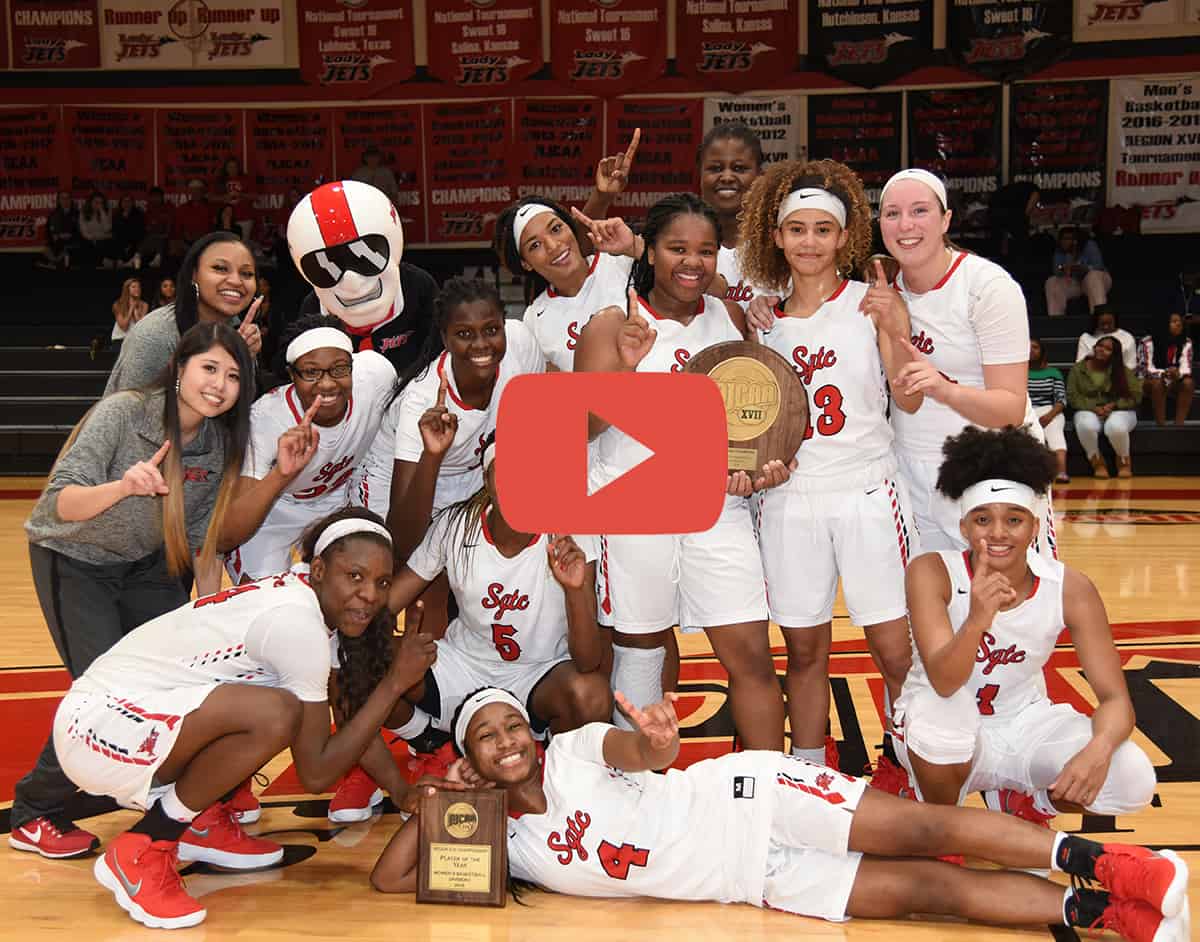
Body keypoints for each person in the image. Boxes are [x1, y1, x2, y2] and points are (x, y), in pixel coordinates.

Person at [372, 687, 1191, 942]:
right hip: (749, 880)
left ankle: (1116, 866)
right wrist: (434, 800)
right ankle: (1108, 914)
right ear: (469, 758)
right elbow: (387, 877)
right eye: (486, 737)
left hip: (749, 797)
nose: (508, 741)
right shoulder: (497, 843)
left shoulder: (579, 748)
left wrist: (656, 742)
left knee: (926, 829)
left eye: (512, 723)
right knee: (924, 893)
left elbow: (643, 756)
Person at [53, 508, 441, 929]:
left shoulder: (307, 603)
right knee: (278, 712)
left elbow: (348, 721)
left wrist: (400, 791)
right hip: (97, 727)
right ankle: (145, 846)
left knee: (275, 705)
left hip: (129, 714)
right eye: (355, 576)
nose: (370, 594)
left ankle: (199, 821)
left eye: (382, 583)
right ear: (319, 569)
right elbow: (316, 772)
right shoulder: (298, 625)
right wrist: (393, 685)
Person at [10, 323, 254, 861]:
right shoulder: (123, 413)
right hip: (74, 558)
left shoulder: (216, 443)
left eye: (233, 375)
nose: (219, 384)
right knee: (108, 692)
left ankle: (184, 803)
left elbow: (201, 542)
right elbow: (60, 505)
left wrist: (210, 613)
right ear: (181, 368)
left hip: (144, 566)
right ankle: (34, 811)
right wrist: (124, 485)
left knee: (175, 678)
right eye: (209, 368)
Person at [575, 193, 784, 749]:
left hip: (716, 509)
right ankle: (639, 788)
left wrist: (757, 469)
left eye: (707, 250)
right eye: (677, 248)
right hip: (632, 507)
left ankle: (772, 791)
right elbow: (577, 429)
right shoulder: (610, 323)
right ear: (650, 251)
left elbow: (752, 419)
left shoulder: (728, 317)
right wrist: (622, 370)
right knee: (641, 650)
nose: (693, 262)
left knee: (751, 655)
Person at [737, 159, 921, 778]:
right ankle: (809, 771)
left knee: (893, 648)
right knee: (805, 648)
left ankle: (905, 764)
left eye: (822, 229)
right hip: (790, 500)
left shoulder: (871, 305)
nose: (809, 241)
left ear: (844, 237)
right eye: (796, 230)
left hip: (866, 489)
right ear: (777, 238)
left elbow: (912, 396)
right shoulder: (761, 323)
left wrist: (898, 327)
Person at [895, 426, 1156, 834]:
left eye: (1013, 520)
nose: (997, 533)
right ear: (964, 527)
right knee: (943, 723)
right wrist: (978, 618)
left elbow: (1115, 700)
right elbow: (945, 682)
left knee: (1133, 777)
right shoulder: (932, 572)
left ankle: (1028, 804)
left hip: (1022, 722)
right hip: (941, 722)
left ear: (1035, 527)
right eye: (983, 520)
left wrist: (1098, 751)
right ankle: (941, 818)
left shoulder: (1070, 587)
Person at [339, 435, 612, 822]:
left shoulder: (568, 531)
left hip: (537, 675)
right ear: (487, 478)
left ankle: (554, 770)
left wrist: (574, 590)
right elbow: (393, 600)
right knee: (358, 667)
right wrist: (346, 634)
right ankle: (433, 743)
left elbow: (588, 659)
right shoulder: (456, 526)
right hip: (463, 668)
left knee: (592, 693)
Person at [360, 279, 544, 641]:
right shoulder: (423, 401)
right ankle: (404, 673)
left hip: (470, 467)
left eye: (491, 330)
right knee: (426, 585)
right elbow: (404, 534)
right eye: (464, 334)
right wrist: (433, 454)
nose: (481, 345)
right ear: (445, 338)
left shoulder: (520, 343)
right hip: (406, 477)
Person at [223, 315, 396, 585]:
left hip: (340, 495)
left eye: (339, 369)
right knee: (260, 598)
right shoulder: (266, 420)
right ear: (292, 375)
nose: (327, 384)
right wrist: (281, 473)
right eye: (311, 372)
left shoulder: (377, 376)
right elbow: (227, 535)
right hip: (278, 504)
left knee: (358, 584)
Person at [289, 180, 437, 378]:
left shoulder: (417, 287)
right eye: (327, 266)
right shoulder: (313, 310)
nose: (352, 282)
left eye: (365, 257)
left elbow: (438, 353)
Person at [493, 192, 640, 373]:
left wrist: (635, 247)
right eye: (535, 245)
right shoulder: (534, 320)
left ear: (570, 228)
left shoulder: (623, 262)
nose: (553, 246)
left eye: (556, 229)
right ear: (526, 263)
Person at [106, 232, 263, 394]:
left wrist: (245, 359)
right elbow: (130, 413)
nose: (236, 281)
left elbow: (240, 411)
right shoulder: (156, 334)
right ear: (193, 275)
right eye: (220, 268)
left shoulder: (238, 331)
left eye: (246, 273)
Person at [698, 122, 765, 309]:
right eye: (716, 168)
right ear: (700, 176)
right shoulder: (678, 248)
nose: (727, 177)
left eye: (739, 168)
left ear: (760, 177)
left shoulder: (782, 249)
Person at [1068, 337, 1142, 479]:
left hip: (1120, 411)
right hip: (1089, 410)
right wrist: (1094, 407)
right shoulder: (1078, 369)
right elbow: (1073, 396)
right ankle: (1097, 461)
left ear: (1114, 354)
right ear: (1094, 347)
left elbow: (1135, 395)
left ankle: (1123, 461)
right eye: (1100, 346)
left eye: (1108, 349)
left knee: (1115, 426)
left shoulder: (1122, 370)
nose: (1102, 350)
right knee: (1086, 425)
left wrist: (1114, 405)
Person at [1140, 312, 1194, 426]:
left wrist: (1177, 374)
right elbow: (1145, 369)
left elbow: (1186, 367)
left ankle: (1179, 425)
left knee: (1188, 383)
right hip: (1151, 381)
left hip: (1173, 379)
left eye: (1180, 321)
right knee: (1159, 384)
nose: (1179, 324)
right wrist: (1165, 373)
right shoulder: (1147, 341)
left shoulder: (1186, 341)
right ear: (1163, 324)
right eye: (1174, 321)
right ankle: (1161, 426)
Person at [1028, 339, 1069, 483]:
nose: (1031, 350)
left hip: (1050, 411)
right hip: (1027, 410)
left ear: (1042, 351)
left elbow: (1061, 400)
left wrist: (1049, 416)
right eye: (1028, 347)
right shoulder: (1018, 373)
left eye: (1035, 347)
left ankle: (1061, 473)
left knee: (1055, 434)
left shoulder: (1053, 372)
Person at [1046, 227, 1111, 317]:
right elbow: (1056, 271)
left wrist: (1083, 268)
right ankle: (1056, 322)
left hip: (1096, 280)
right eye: (1063, 239)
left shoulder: (1089, 245)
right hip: (1075, 282)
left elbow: (1098, 265)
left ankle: (1100, 319)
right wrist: (1064, 268)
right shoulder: (1060, 251)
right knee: (1052, 282)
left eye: (1068, 238)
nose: (1065, 242)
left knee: (1093, 276)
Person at [1077, 306, 1137, 371]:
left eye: (1109, 323)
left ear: (1115, 321)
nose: (1106, 327)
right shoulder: (1086, 337)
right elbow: (1080, 362)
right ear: (1096, 322)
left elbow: (1131, 365)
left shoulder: (1127, 338)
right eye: (1102, 324)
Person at [134, 186, 174, 269]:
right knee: (150, 237)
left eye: (157, 196)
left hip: (164, 236)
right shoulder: (148, 209)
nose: (155, 199)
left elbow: (169, 225)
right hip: (152, 236)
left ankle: (140, 256)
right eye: (153, 197)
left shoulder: (168, 208)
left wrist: (165, 232)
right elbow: (147, 227)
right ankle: (140, 257)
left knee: (159, 238)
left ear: (162, 197)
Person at [77, 191, 119, 269]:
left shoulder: (106, 211)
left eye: (101, 203)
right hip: (90, 241)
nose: (98, 205)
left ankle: (107, 263)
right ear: (90, 202)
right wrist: (103, 237)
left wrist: (102, 211)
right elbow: (85, 234)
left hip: (103, 241)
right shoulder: (83, 212)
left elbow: (107, 229)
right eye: (96, 202)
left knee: (110, 242)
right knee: (86, 244)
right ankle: (103, 262)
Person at [218, 156, 254, 240]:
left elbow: (255, 196)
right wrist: (223, 197)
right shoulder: (220, 180)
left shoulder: (246, 179)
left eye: (234, 167)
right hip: (227, 220)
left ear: (238, 168)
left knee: (243, 245)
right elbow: (209, 197)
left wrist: (240, 195)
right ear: (225, 168)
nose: (232, 169)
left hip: (244, 217)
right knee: (228, 244)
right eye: (229, 167)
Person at [40, 191, 78, 270]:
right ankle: (55, 261)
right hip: (57, 242)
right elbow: (48, 232)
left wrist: (70, 235)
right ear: (59, 200)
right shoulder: (53, 214)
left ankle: (55, 262)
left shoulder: (78, 214)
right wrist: (54, 236)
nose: (65, 200)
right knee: (47, 249)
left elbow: (80, 231)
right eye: (62, 198)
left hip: (72, 242)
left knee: (67, 250)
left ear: (71, 200)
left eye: (67, 198)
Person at [110, 277, 149, 350]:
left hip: (136, 340)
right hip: (120, 339)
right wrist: (131, 308)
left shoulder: (144, 305)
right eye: (133, 287)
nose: (137, 289)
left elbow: (140, 326)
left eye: (138, 287)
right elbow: (124, 327)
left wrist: (135, 310)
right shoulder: (118, 304)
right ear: (127, 289)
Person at [113, 194, 146, 266]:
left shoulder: (138, 214)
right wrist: (123, 219)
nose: (126, 203)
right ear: (121, 203)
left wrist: (130, 244)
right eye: (124, 201)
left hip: (134, 241)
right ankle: (120, 261)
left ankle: (128, 261)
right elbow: (116, 230)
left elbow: (139, 231)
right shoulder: (116, 214)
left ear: (133, 203)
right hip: (120, 241)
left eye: (129, 201)